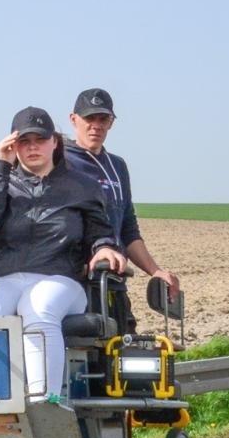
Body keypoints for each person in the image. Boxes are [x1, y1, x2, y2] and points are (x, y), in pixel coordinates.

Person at [0, 107, 125, 400]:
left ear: (55, 142)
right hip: (5, 276)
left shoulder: (82, 187)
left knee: (38, 304)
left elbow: (100, 233)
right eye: (25, 141)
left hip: (61, 279)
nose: (33, 146)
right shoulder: (0, 184)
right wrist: (1, 166)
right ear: (13, 146)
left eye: (40, 139)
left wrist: (104, 249)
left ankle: (44, 403)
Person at [62, 87, 180, 297]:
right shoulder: (60, 162)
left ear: (112, 122)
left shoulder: (117, 166)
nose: (96, 126)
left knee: (124, 330)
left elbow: (128, 229)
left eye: (103, 119)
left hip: (114, 279)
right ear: (73, 119)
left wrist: (155, 271)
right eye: (89, 118)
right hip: (75, 282)